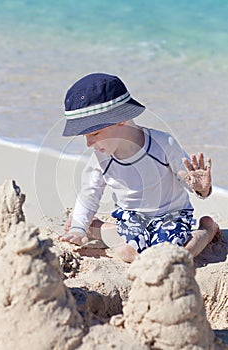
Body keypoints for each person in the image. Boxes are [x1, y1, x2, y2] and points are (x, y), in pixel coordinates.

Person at [58, 72, 219, 263]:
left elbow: (188, 181)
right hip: (132, 218)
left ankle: (207, 229)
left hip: (171, 215)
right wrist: (78, 227)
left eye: (95, 133)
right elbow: (89, 195)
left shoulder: (162, 143)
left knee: (175, 256)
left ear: (121, 120)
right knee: (128, 253)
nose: (89, 143)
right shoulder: (100, 159)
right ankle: (94, 227)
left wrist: (201, 188)